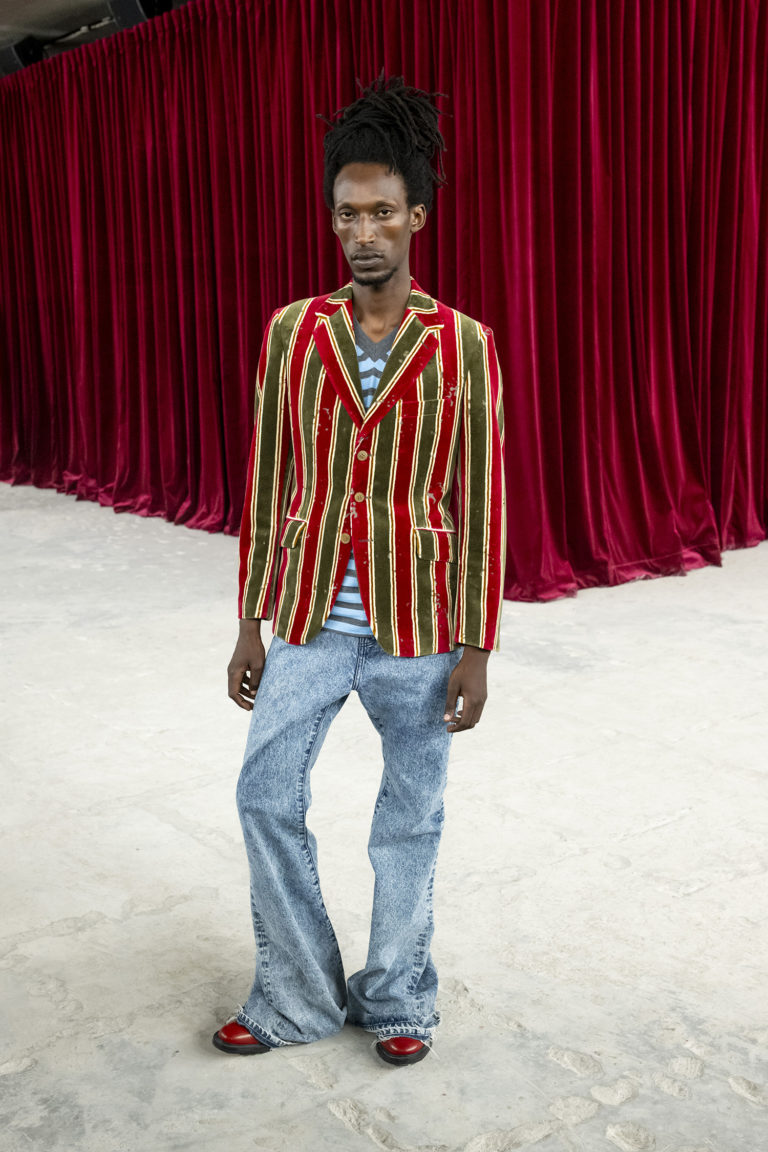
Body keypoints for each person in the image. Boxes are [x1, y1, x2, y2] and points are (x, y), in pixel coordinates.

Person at [212, 76, 506, 1067]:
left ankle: (397, 995)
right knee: (265, 794)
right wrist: (250, 619)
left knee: (409, 818)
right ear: (333, 219)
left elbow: (481, 500)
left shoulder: (463, 345)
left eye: (383, 211)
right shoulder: (293, 333)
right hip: (307, 617)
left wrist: (477, 646)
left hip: (418, 625)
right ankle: (295, 994)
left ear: (416, 216)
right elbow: (266, 479)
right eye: (349, 213)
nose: (364, 231)